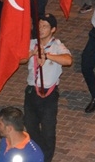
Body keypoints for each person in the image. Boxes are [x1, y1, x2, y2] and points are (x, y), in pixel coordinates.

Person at [23, 14, 72, 162]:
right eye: (39, 25)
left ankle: (46, 158)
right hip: (32, 91)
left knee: (48, 130)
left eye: (45, 26)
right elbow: (19, 59)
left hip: (49, 94)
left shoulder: (57, 46)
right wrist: (32, 53)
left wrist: (48, 55)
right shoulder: (32, 43)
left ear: (53, 29)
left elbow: (68, 60)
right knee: (31, 126)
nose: (40, 29)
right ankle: (38, 153)